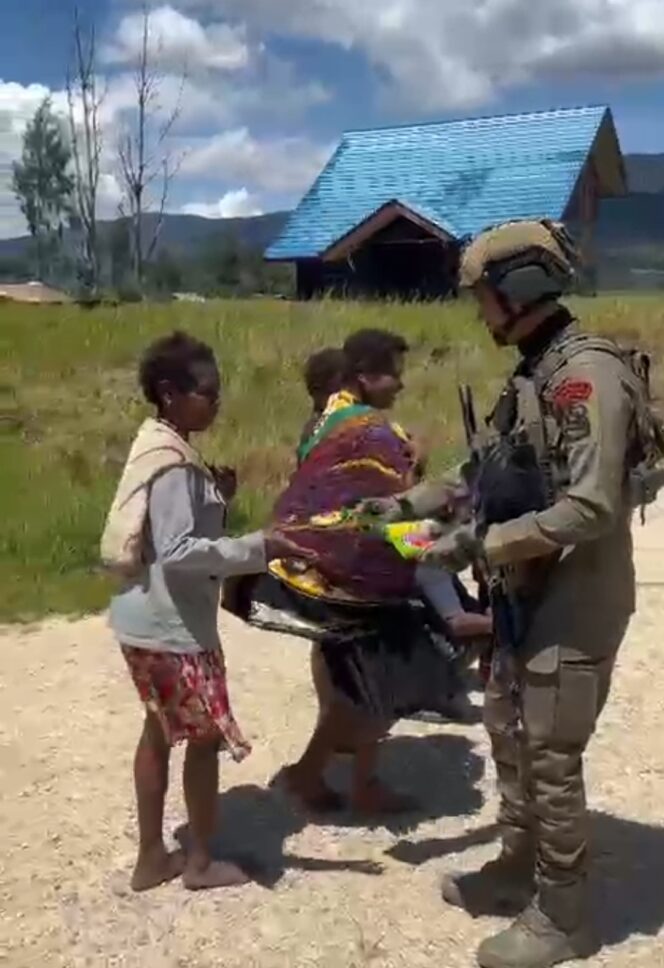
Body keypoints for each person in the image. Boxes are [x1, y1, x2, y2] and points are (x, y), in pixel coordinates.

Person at [364, 220, 641, 968]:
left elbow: (590, 509)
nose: (478, 311)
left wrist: (475, 546)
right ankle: (519, 866)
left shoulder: (586, 375)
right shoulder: (534, 374)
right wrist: (404, 507)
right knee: (509, 733)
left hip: (577, 594)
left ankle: (565, 916)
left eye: (482, 296)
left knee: (551, 753)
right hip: (526, 589)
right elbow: (482, 473)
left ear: (519, 290)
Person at [103, 331, 307, 893]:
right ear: (169, 393)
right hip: (172, 628)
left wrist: (217, 499)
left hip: (139, 619)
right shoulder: (173, 465)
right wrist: (259, 546)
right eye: (207, 393)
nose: (216, 403)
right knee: (204, 738)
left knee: (158, 731)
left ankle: (151, 858)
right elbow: (180, 553)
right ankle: (198, 863)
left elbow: (176, 534)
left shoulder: (157, 444)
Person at [244, 329, 476, 816]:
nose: (401, 385)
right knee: (375, 678)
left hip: (319, 566)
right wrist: (445, 522)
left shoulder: (325, 421)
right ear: (366, 377)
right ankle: (322, 777)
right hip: (355, 571)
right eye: (394, 374)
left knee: (354, 679)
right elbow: (399, 501)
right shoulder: (374, 429)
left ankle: (345, 777)